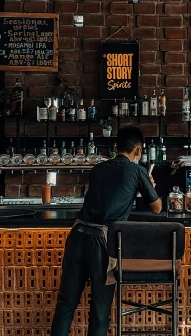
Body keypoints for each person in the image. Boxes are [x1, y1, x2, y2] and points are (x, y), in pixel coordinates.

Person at [51, 126, 162, 336]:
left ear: (115, 147)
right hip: (101, 242)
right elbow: (156, 208)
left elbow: (112, 193)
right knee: (100, 308)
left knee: (66, 303)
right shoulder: (137, 171)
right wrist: (148, 184)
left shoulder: (98, 169)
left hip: (77, 236)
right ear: (138, 150)